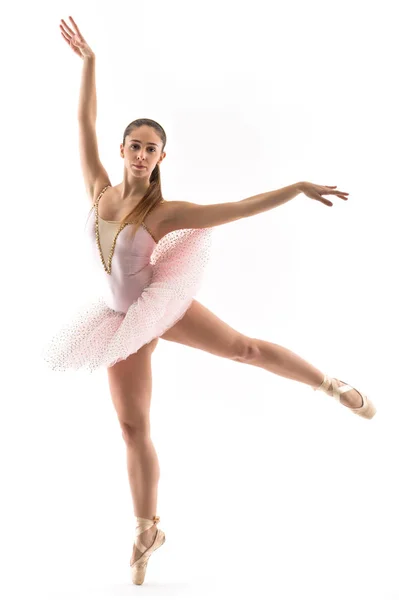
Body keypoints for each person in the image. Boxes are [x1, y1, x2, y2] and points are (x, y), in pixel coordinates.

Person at [44, 16, 377, 586]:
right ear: (122, 150)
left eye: (153, 149)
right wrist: (91, 63)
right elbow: (83, 120)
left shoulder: (164, 212)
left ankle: (331, 385)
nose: (143, 155)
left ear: (161, 158)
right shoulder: (98, 189)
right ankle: (148, 529)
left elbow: (240, 207)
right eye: (136, 146)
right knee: (131, 428)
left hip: (156, 305)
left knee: (243, 348)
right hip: (119, 323)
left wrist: (296, 187)